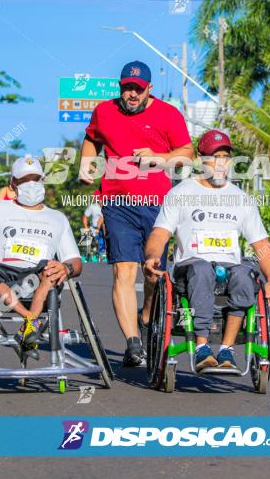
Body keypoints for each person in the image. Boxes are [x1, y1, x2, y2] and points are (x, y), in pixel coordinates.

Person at [80, 60, 193, 366]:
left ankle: (145, 315)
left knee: (152, 271)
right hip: (117, 203)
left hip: (159, 206)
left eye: (137, 89)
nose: (131, 94)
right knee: (123, 270)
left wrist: (159, 157)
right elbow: (92, 139)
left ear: (149, 90)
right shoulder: (104, 111)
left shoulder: (168, 114)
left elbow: (187, 154)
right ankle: (132, 343)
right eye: (126, 88)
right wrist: (86, 164)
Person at [143, 130, 270, 371]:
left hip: (228, 269)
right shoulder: (181, 193)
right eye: (213, 157)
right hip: (191, 268)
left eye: (225, 157)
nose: (220, 163)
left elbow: (261, 245)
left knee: (244, 274)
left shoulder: (241, 199)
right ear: (200, 159)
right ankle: (202, 347)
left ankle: (226, 350)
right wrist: (153, 256)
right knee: (203, 269)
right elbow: (160, 233)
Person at [0, 154, 82, 348]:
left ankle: (30, 323)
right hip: (3, 281)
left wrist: (66, 268)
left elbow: (75, 260)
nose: (31, 184)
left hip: (40, 280)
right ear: (12, 184)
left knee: (50, 268)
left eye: (35, 179)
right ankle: (31, 321)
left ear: (42, 182)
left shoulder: (58, 218)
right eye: (24, 180)